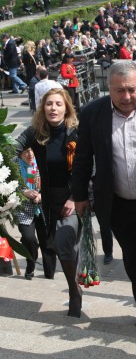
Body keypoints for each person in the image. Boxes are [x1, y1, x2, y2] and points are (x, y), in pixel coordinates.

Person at [71, 60, 136, 328]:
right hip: (118, 203)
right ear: (108, 88)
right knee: (134, 261)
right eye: (120, 91)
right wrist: (80, 195)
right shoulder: (93, 113)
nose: (127, 97)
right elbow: (83, 157)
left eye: (132, 89)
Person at [15, 89, 82, 317]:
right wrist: (18, 185)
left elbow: (90, 167)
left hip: (72, 199)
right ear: (43, 108)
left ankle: (74, 291)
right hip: (47, 202)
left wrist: (75, 197)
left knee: (64, 240)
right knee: (60, 247)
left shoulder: (76, 133)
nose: (53, 108)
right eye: (49, 104)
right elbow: (9, 151)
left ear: (67, 108)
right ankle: (75, 284)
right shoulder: (35, 132)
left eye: (58, 104)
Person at [16, 148, 56, 280]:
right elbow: (10, 188)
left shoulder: (41, 162)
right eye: (26, 151)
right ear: (20, 154)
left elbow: (52, 184)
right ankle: (31, 263)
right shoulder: (14, 165)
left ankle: (49, 271)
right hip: (24, 210)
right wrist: (24, 193)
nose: (30, 154)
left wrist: (41, 196)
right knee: (29, 239)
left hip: (42, 207)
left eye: (32, 150)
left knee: (47, 240)